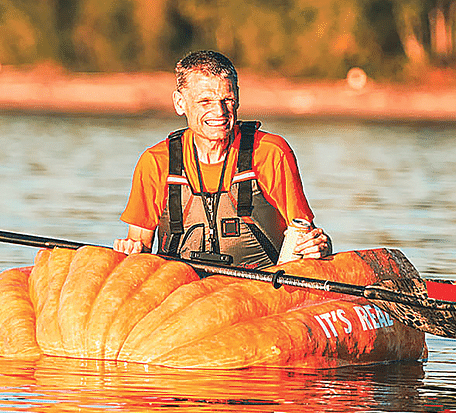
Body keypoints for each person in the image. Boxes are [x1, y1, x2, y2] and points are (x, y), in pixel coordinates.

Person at [114, 50, 331, 269]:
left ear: (237, 98)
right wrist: (130, 250)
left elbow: (305, 234)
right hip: (181, 291)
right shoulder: (155, 162)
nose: (219, 111)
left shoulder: (271, 152)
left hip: (261, 291)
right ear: (180, 103)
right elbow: (139, 246)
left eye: (227, 100)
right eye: (205, 101)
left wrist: (320, 247)